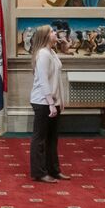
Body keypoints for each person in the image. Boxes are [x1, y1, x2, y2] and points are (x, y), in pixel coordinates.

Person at [29, 24, 68, 183]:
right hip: (43, 101)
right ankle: (39, 172)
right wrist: (51, 103)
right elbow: (44, 81)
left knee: (52, 138)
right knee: (40, 138)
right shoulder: (43, 54)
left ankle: (54, 170)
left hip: (53, 101)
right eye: (52, 31)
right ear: (45, 36)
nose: (55, 33)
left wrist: (60, 102)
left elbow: (57, 78)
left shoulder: (51, 52)